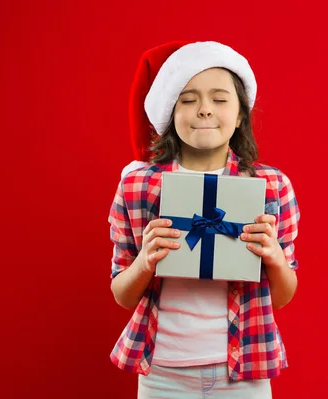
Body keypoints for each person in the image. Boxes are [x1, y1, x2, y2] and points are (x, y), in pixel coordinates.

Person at [108, 40, 300, 398]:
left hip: (244, 370)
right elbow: (122, 293)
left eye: (220, 99)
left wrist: (273, 256)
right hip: (162, 373)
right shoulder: (137, 186)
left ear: (241, 113)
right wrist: (145, 262)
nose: (205, 110)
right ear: (169, 112)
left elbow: (283, 296)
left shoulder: (271, 186)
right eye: (188, 99)